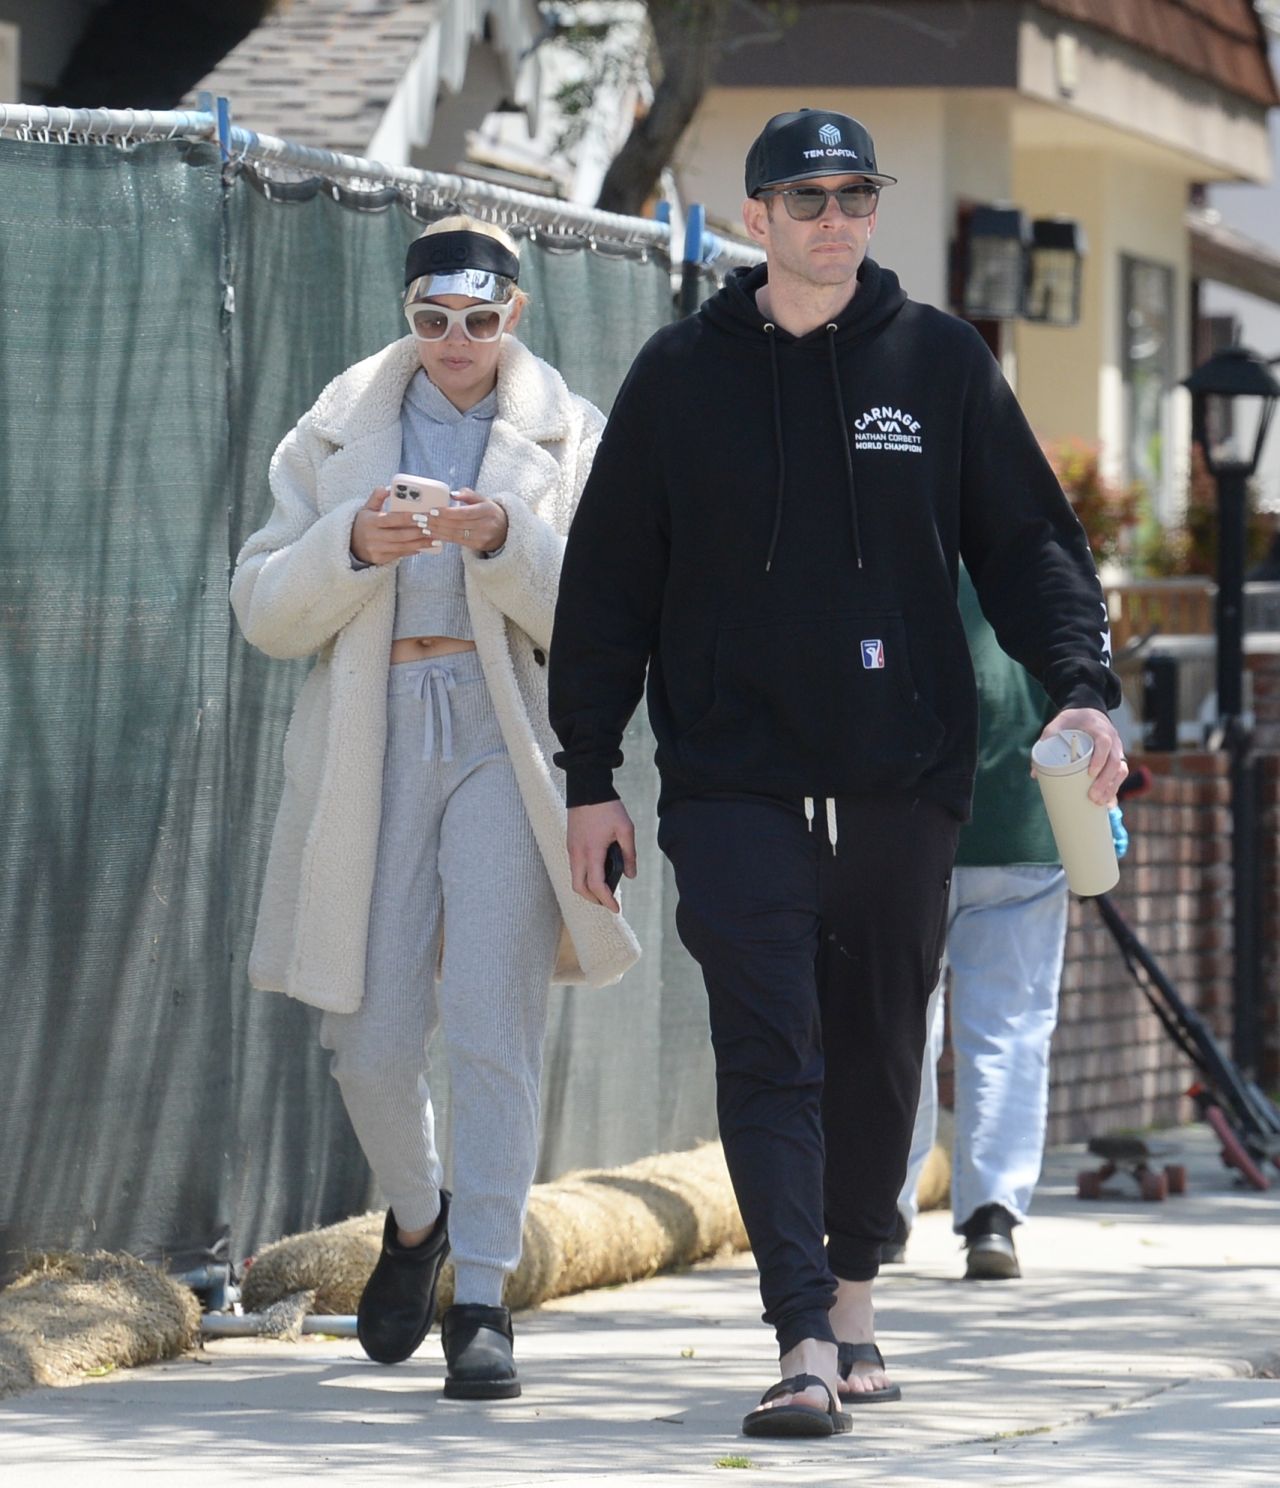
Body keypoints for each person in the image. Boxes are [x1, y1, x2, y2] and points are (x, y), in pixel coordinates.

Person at [548, 109, 1125, 1439]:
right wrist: (591, 774)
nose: (833, 219)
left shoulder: (938, 363)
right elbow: (607, 590)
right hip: (730, 778)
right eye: (805, 197)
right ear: (755, 215)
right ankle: (803, 1333)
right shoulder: (678, 377)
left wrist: (1085, 690)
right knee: (772, 1043)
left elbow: (1032, 545)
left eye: (854, 195)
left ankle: (854, 1300)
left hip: (897, 777)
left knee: (876, 1050)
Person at [231, 217, 638, 1400]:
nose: (453, 342)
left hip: (507, 736)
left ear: (512, 313)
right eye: (429, 319)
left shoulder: (571, 435)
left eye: (476, 318)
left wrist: (504, 537)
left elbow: (607, 619)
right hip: (371, 728)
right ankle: (417, 1222)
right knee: (364, 1031)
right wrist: (349, 541)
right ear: (406, 317)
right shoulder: (334, 425)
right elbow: (261, 606)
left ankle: (482, 1296)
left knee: (492, 1025)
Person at [891, 566, 1070, 1280]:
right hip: (1026, 829)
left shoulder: (899, 540)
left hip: (910, 825)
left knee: (898, 1024)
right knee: (1011, 1026)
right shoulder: (1051, 569)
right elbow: (1085, 697)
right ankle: (992, 1215)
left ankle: (882, 1213)